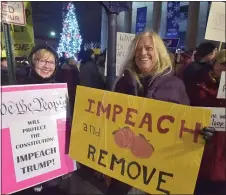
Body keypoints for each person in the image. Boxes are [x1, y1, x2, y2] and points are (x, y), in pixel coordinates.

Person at [107, 31, 215, 195]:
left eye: (149, 48)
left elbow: (185, 126)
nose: (143, 53)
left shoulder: (176, 85)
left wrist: (202, 133)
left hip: (158, 173)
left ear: (159, 52)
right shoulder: (123, 83)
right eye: (138, 49)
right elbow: (109, 123)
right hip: (124, 169)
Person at [16, 44, 78, 195]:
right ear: (32, 61)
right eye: (42, 61)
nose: (46, 66)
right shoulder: (18, 88)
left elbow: (66, 123)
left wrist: (68, 160)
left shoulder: (59, 89)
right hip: (29, 158)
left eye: (51, 62)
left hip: (53, 157)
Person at [185, 49, 226, 195]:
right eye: (223, 64)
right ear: (214, 64)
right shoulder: (198, 86)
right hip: (199, 160)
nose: (225, 68)